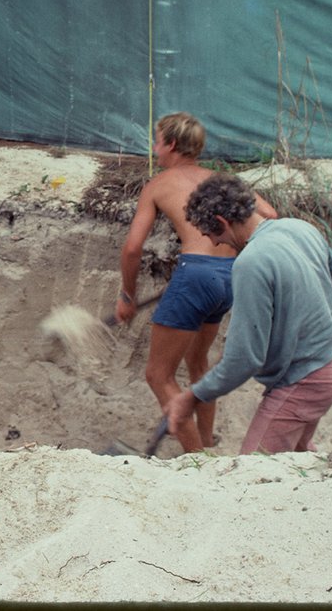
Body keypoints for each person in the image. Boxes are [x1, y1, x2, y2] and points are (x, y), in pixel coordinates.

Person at [114, 112, 277, 454]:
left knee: (158, 375)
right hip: (229, 275)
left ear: (171, 145)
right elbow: (271, 216)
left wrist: (128, 295)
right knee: (197, 363)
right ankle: (205, 442)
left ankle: (196, 458)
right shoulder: (221, 178)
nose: (155, 148)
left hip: (195, 275)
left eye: (157, 141)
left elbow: (132, 249)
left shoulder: (158, 185)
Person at [164, 171, 332, 455]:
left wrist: (192, 397)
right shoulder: (299, 227)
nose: (215, 244)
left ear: (222, 222)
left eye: (212, 234)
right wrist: (296, 314)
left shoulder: (251, 262)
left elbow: (244, 359)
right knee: (297, 454)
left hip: (304, 380)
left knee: (253, 472)